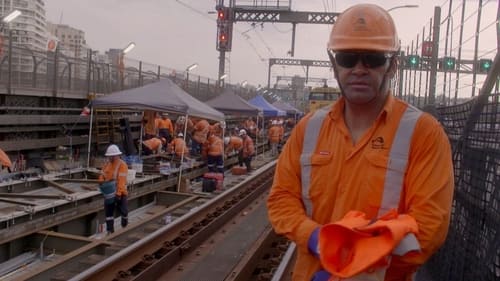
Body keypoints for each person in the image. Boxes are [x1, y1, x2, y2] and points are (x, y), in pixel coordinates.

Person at [267, 4, 454, 281]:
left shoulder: (423, 133)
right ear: (334, 64)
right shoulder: (308, 129)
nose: (359, 69)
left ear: (393, 65)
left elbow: (428, 226)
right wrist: (315, 237)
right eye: (347, 58)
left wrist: (352, 270)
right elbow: (281, 198)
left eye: (373, 58)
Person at [98, 144, 129, 234]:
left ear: (116, 156)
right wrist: (101, 181)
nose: (109, 158)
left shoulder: (122, 165)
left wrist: (118, 194)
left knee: (124, 210)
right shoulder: (107, 165)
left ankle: (124, 223)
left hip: (121, 192)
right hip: (109, 193)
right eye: (109, 156)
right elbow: (102, 175)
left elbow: (121, 181)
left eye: (111, 156)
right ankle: (110, 230)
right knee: (109, 213)